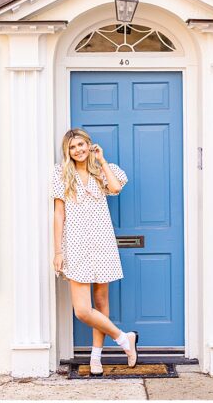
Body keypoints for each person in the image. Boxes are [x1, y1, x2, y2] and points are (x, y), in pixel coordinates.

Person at [51, 128, 138, 376]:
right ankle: (124, 339)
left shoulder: (101, 169)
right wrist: (58, 251)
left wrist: (101, 160)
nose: (77, 150)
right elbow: (59, 213)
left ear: (89, 145)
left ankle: (96, 357)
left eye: (81, 145)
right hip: (76, 244)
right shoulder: (61, 173)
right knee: (82, 310)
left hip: (102, 243)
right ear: (67, 151)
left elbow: (116, 188)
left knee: (101, 303)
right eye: (72, 147)